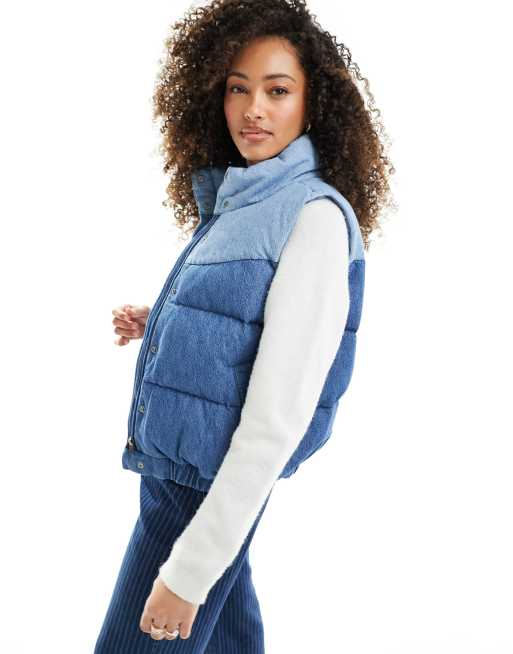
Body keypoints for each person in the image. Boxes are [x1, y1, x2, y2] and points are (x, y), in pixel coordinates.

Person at [94, 0, 395, 651]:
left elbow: (275, 418)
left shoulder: (311, 219)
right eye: (238, 88)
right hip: (178, 477)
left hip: (203, 494)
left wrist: (189, 572)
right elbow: (241, 319)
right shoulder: (246, 199)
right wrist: (162, 319)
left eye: (277, 90)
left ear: (313, 104)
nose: (253, 109)